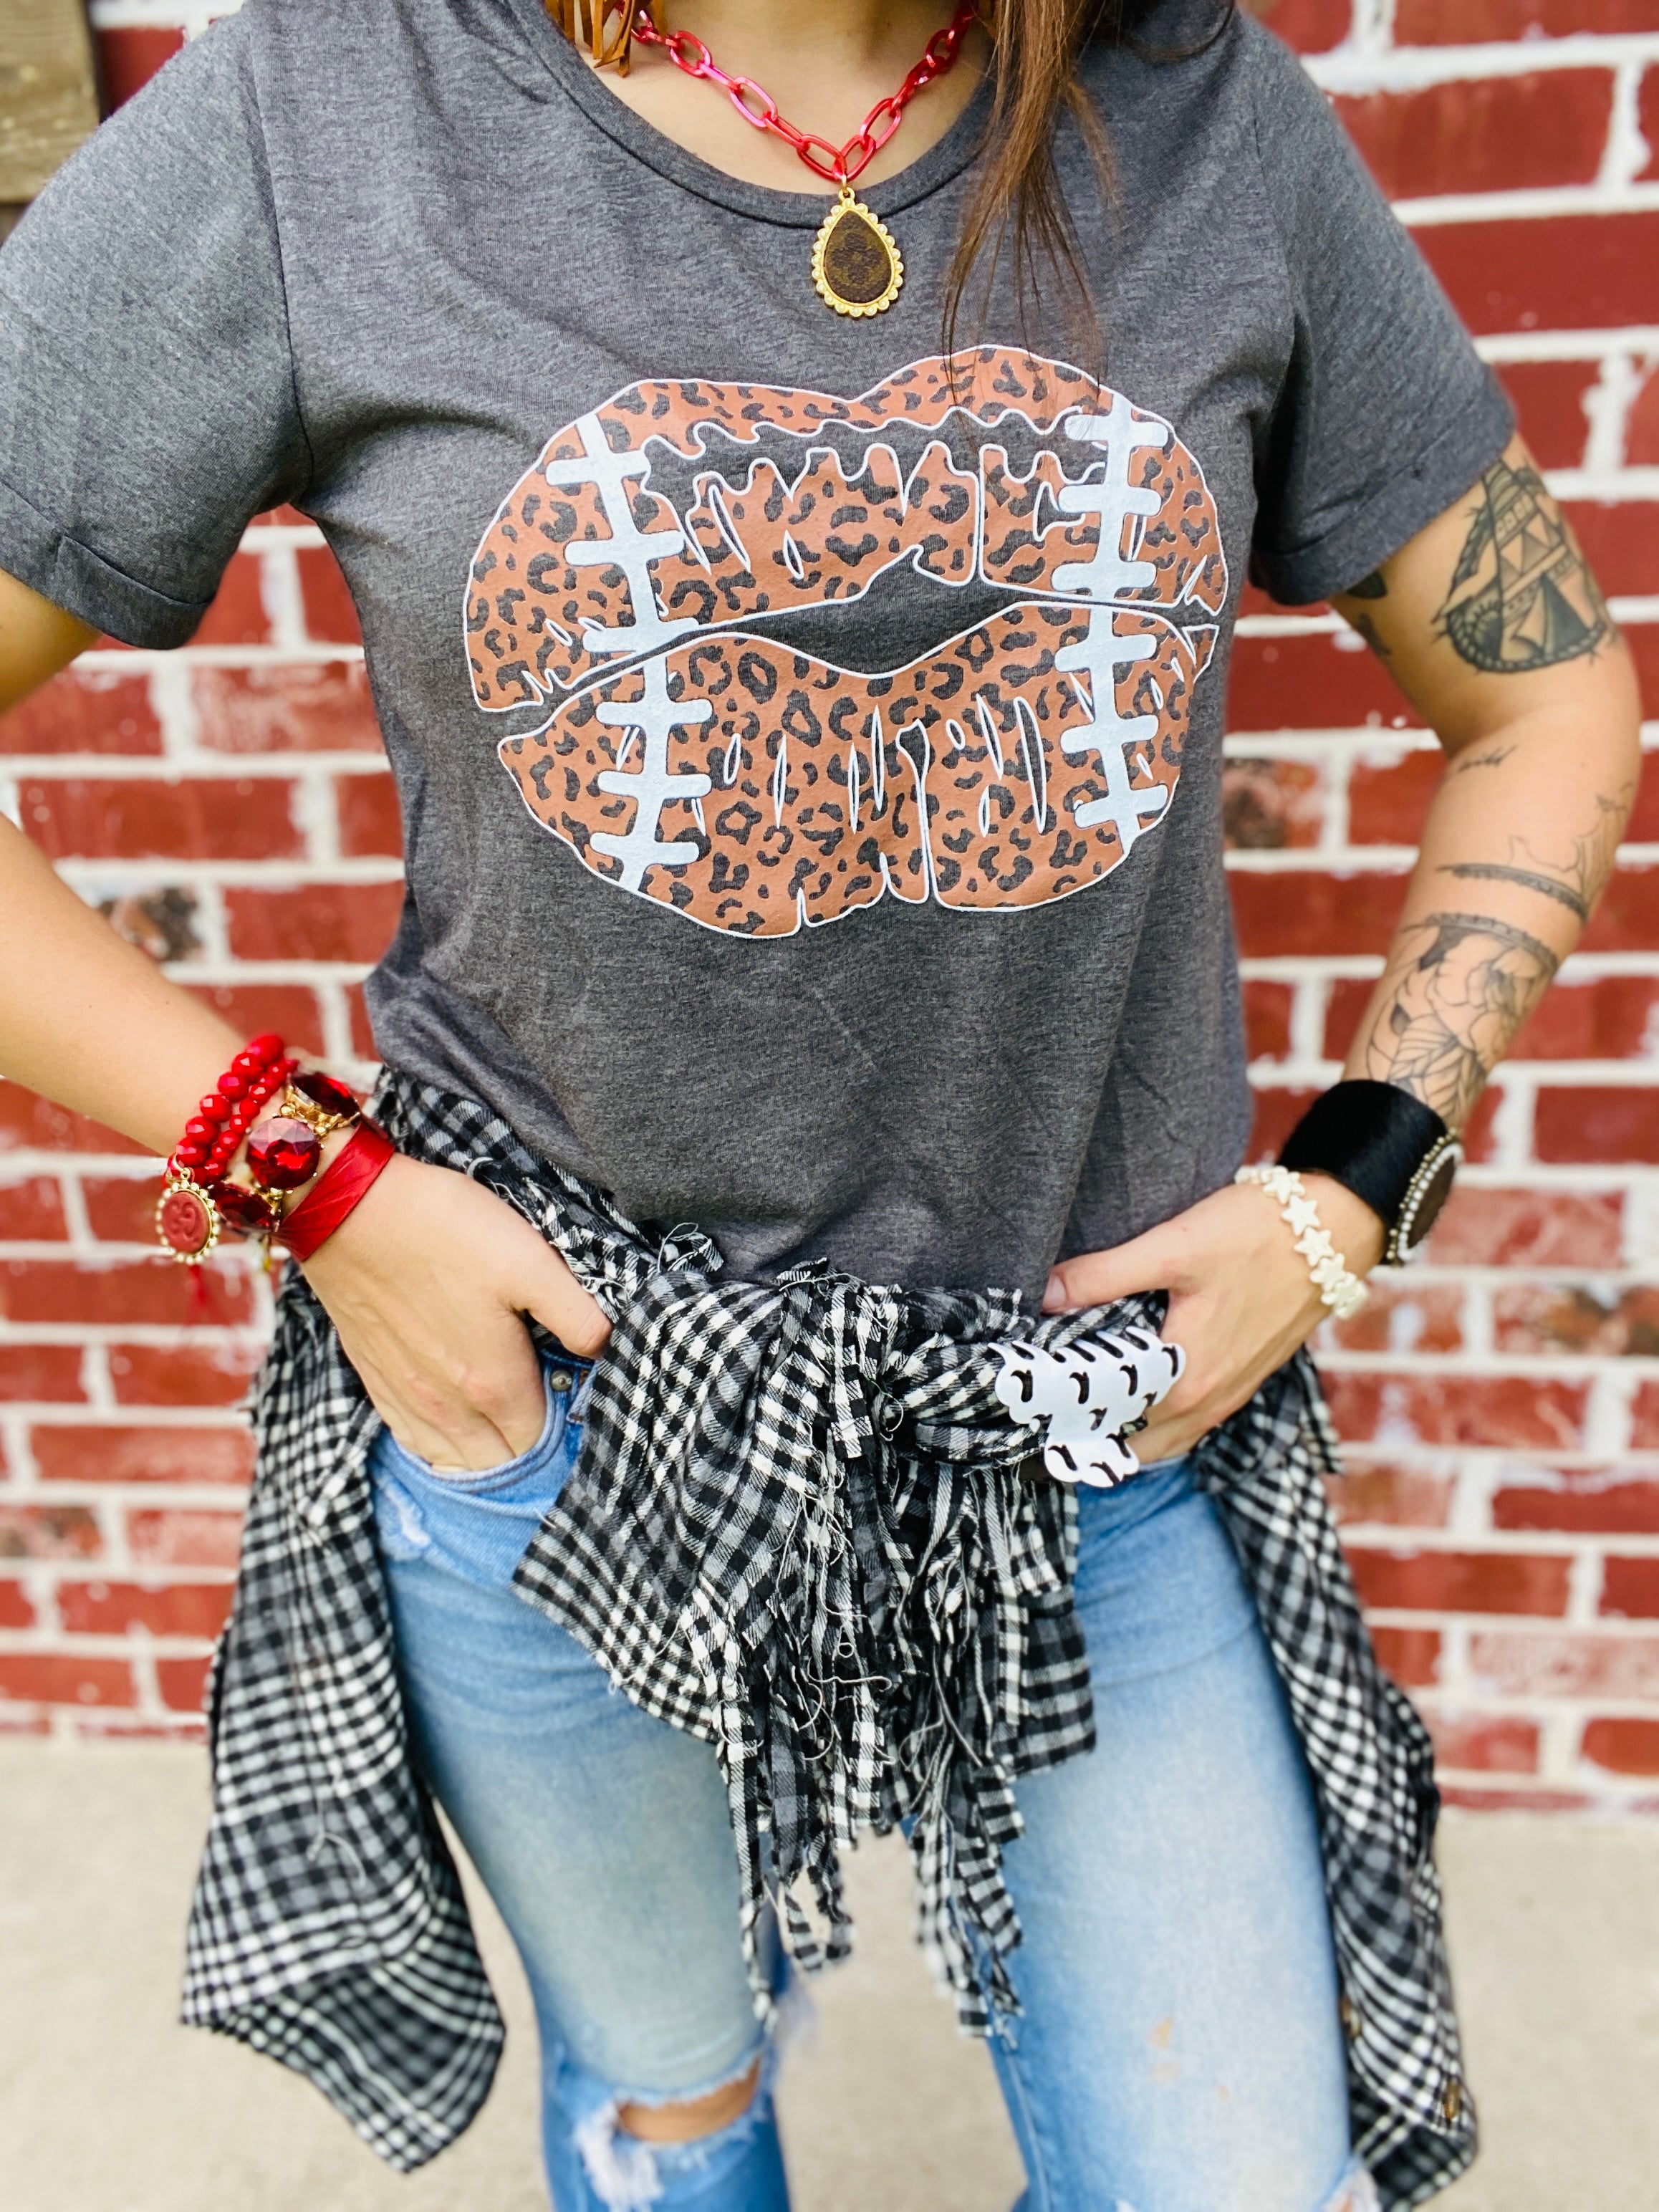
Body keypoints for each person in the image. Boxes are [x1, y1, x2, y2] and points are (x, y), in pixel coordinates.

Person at [0, 1, 1639, 2207]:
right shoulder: (330, 114)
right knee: (670, 2104)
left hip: (1081, 1408)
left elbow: (1542, 698)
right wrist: (314, 1186)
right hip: (559, 1400)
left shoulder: (1198, 118)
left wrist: (1353, 1191)